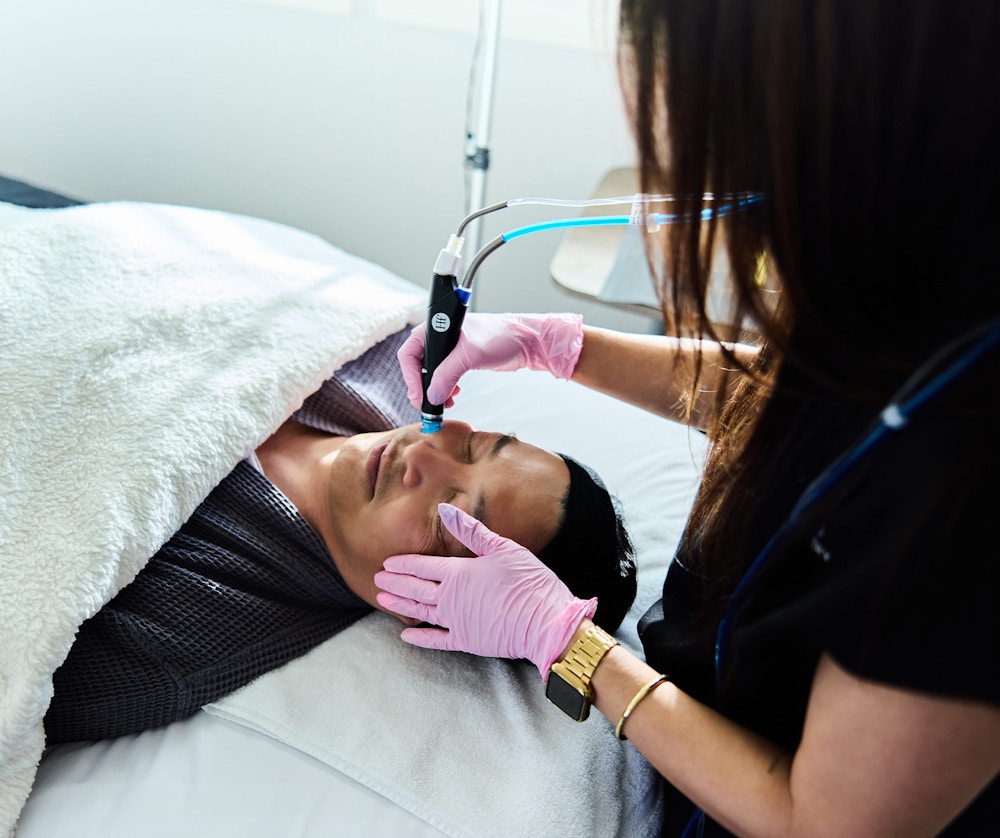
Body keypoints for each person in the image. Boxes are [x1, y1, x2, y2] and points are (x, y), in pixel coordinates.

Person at [378, 2, 1000, 835]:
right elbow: (807, 398)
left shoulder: (974, 503)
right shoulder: (927, 267)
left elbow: (822, 823)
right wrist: (560, 346)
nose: (426, 458)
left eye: (712, 144)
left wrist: (570, 646)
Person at [43, 330, 636, 743]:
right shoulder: (381, 351)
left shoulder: (171, 636)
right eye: (476, 445)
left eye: (449, 517)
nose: (423, 455)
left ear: (435, 607)